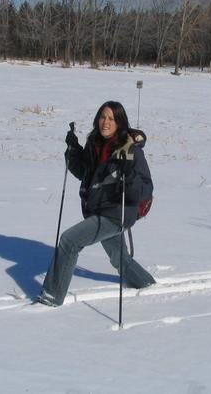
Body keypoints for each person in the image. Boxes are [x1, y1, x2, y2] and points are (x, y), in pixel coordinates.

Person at [37, 101, 156, 307]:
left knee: (69, 241)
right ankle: (146, 283)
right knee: (120, 258)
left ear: (120, 122)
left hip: (117, 213)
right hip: (97, 210)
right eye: (102, 117)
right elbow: (84, 174)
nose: (105, 122)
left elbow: (145, 188)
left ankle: (51, 296)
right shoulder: (95, 144)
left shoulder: (130, 151)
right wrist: (73, 150)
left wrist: (128, 174)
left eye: (111, 118)